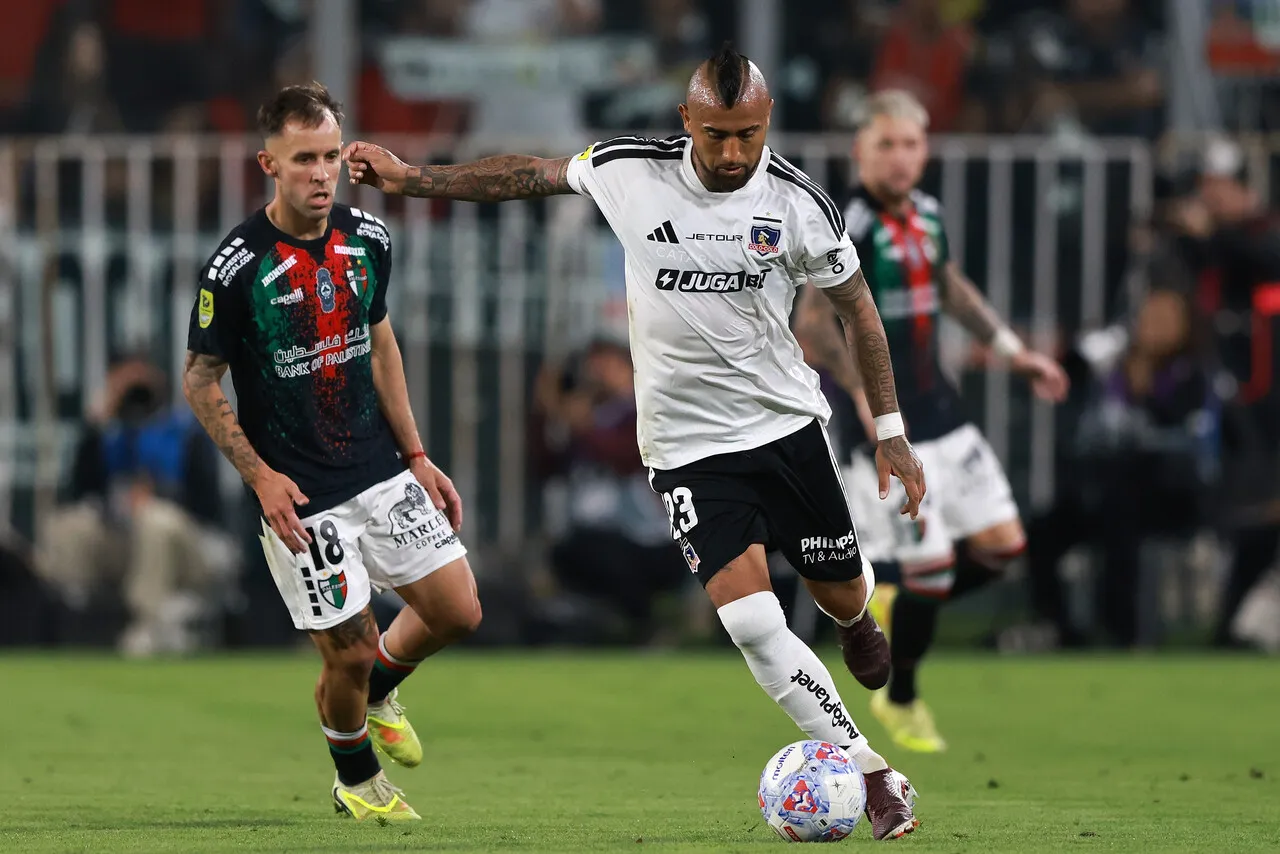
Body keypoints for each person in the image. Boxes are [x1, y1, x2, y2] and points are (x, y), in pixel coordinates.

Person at [345, 43, 924, 840]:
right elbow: (529, 175)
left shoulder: (798, 203)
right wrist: (413, 178)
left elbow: (857, 308)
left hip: (785, 427)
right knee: (753, 624)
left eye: (748, 135)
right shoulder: (628, 170)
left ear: (767, 122)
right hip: (686, 449)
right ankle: (873, 771)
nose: (732, 154)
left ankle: (855, 619)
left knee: (842, 590)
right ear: (686, 120)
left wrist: (891, 432)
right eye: (716, 135)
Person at [183, 82, 482, 821]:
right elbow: (199, 380)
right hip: (301, 491)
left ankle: (378, 695)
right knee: (347, 649)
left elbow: (380, 345)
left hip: (378, 466)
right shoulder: (236, 266)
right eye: (303, 159)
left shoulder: (369, 239)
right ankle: (357, 781)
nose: (321, 173)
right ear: (269, 165)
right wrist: (261, 478)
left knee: (458, 610)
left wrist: (417, 455)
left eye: (329, 156)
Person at [795, 90, 1069, 753]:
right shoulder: (845, 224)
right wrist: (868, 402)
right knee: (934, 566)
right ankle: (901, 696)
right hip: (884, 428)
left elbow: (948, 286)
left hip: (941, 410)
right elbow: (813, 324)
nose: (900, 157)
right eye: (885, 144)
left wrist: (1013, 352)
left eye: (911, 144)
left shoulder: (927, 213)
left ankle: (894, 602)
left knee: (1002, 547)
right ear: (859, 151)